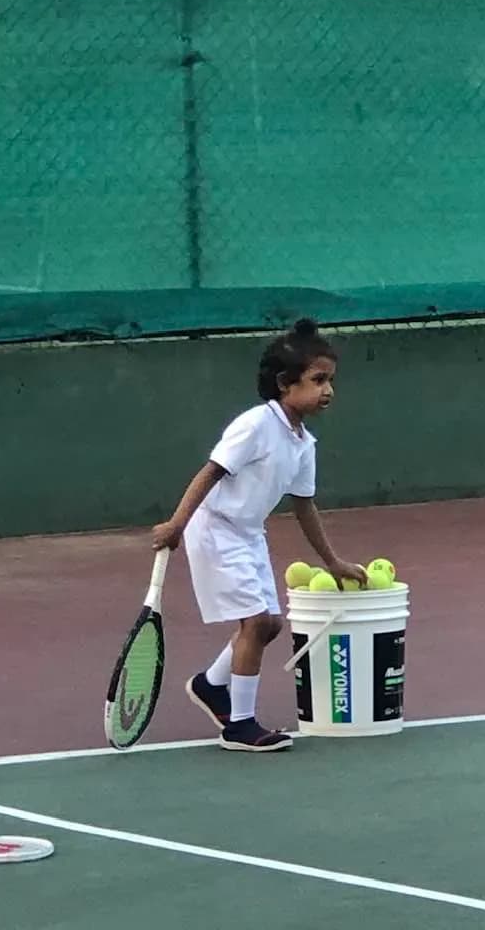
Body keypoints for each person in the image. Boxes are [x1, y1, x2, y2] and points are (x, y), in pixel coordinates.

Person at [151, 318, 366, 752]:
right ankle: (240, 725)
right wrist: (176, 523)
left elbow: (303, 505)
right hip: (215, 528)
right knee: (259, 622)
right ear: (285, 384)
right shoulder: (255, 425)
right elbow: (211, 472)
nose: (328, 390)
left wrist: (333, 561)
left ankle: (212, 685)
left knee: (268, 627)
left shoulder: (303, 442)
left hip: (249, 533)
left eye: (330, 381)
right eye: (318, 380)